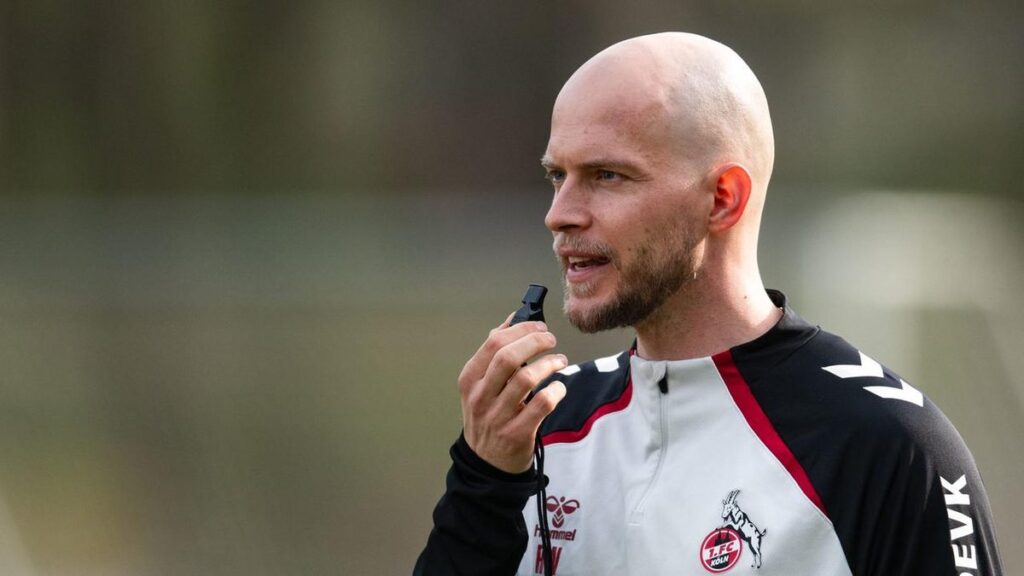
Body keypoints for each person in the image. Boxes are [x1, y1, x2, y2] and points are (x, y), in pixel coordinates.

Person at [413, 32, 1003, 576]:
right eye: (556, 176)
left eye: (607, 175)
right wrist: (482, 478)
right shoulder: (541, 429)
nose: (559, 213)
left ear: (723, 198)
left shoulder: (890, 443)